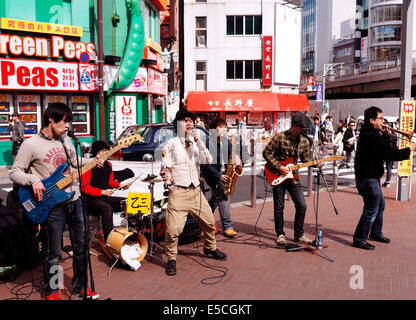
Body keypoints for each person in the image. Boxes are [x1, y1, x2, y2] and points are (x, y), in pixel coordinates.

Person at [9, 102, 104, 300]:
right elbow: (15, 172)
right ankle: (52, 290)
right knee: (53, 252)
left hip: (74, 199)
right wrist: (33, 180)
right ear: (51, 119)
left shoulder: (66, 140)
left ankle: (81, 287)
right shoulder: (31, 144)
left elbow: (74, 162)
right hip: (52, 205)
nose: (68, 126)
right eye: (64, 121)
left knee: (81, 246)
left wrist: (96, 161)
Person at [160, 109, 227, 276]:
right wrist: (172, 190)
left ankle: (210, 248)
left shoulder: (196, 144)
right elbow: (165, 169)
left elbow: (208, 160)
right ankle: (171, 258)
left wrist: (199, 143)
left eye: (191, 120)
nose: (189, 123)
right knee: (174, 229)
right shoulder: (171, 144)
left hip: (196, 191)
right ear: (177, 124)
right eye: (185, 120)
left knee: (210, 223)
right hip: (179, 193)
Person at [352, 106, 416, 250]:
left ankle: (375, 232)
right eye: (380, 119)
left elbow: (382, 150)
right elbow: (389, 154)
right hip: (368, 179)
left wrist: (386, 136)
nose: (383, 122)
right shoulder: (371, 135)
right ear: (372, 120)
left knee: (380, 205)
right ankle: (359, 238)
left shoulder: (371, 133)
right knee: (371, 209)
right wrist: (410, 150)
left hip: (371, 178)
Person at [262, 112, 314, 247]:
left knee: (302, 205)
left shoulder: (303, 141)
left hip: (293, 177)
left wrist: (314, 163)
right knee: (279, 207)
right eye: (300, 128)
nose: (302, 131)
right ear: (294, 125)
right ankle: (280, 234)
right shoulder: (280, 137)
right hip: (277, 175)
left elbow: (305, 159)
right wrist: (279, 167)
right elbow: (266, 153)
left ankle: (299, 234)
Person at [81, 140, 133, 243]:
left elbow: (110, 182)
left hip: (103, 198)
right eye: (103, 150)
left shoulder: (108, 164)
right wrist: (102, 192)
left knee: (128, 202)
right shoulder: (88, 165)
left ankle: (131, 235)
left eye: (106, 150)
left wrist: (121, 185)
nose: (106, 152)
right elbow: (84, 188)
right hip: (90, 200)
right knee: (107, 208)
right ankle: (109, 241)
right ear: (96, 152)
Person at [201, 118, 238, 238]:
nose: (223, 130)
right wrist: (219, 176)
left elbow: (233, 155)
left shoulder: (227, 142)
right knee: (222, 198)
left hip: (223, 172)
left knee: (215, 200)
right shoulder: (208, 144)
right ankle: (228, 226)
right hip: (212, 174)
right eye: (220, 128)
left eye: (224, 127)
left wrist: (237, 160)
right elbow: (206, 166)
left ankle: (203, 219)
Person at [381, 120, 398, 188]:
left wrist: (388, 135)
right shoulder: (392, 135)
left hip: (388, 153)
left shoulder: (389, 135)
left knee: (388, 167)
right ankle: (386, 182)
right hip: (388, 152)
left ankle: (387, 182)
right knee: (387, 167)